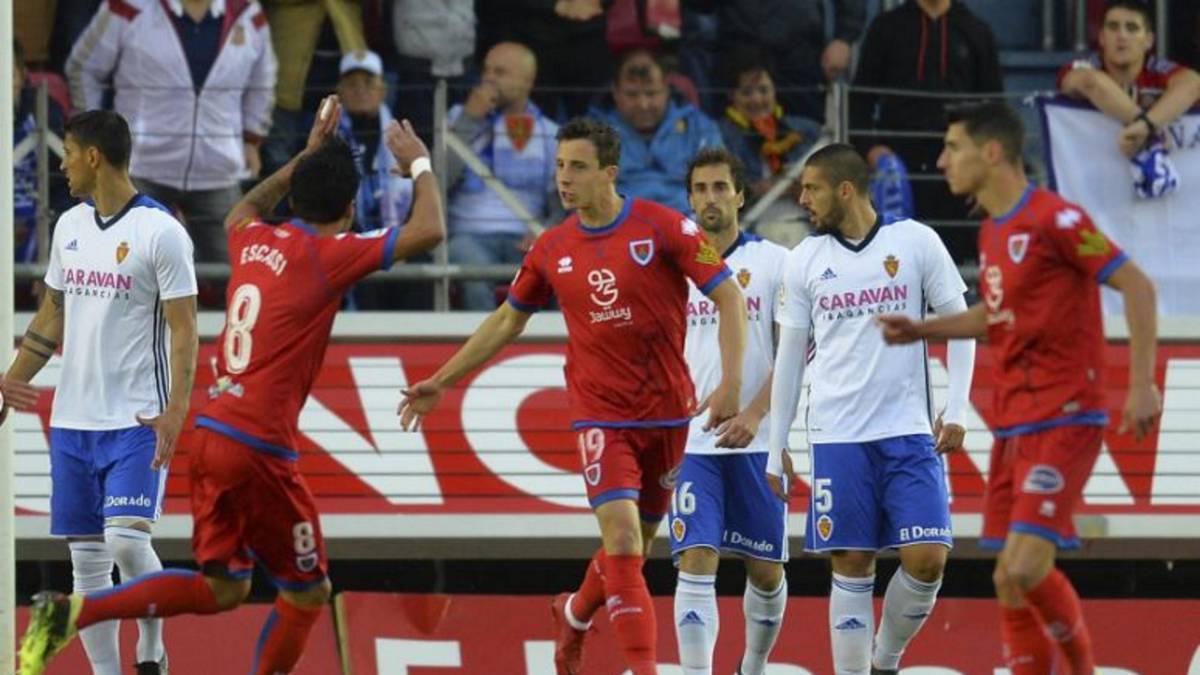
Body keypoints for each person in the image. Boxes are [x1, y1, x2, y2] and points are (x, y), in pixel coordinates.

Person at [17, 95, 446, 675]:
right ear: (349, 207)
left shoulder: (250, 237)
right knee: (307, 593)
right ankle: (81, 612)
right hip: (260, 445)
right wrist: (419, 162)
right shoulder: (328, 254)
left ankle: (80, 615)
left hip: (213, 434)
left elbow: (245, 205)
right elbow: (430, 229)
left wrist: (304, 157)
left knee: (224, 587)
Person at [397, 118, 748, 675]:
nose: (565, 179)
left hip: (666, 415)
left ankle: (575, 612)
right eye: (560, 166)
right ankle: (643, 668)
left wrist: (729, 382)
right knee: (625, 538)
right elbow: (507, 321)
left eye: (578, 167)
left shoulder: (666, 229)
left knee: (631, 548)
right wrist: (443, 379)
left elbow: (729, 295)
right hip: (599, 416)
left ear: (610, 172)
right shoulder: (550, 248)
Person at [879, 101, 1161, 674]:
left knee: (1025, 568)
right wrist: (925, 329)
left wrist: (1141, 386)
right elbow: (997, 314)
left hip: (1066, 416)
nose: (941, 160)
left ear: (992, 151)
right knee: (1007, 578)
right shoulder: (992, 230)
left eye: (952, 146)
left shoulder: (1059, 222)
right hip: (1014, 423)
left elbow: (1136, 285)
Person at [768, 143, 976, 675]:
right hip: (836, 436)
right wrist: (776, 447)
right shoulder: (805, 260)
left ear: (845, 189)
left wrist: (957, 410)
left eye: (811, 188)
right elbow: (789, 359)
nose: (803, 199)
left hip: (908, 432)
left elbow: (961, 323)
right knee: (853, 563)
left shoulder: (915, 242)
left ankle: (886, 659)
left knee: (928, 561)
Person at [5, 110, 200, 675]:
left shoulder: (161, 232)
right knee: (86, 562)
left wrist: (176, 410)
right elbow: (51, 315)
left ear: (94, 156)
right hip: (72, 421)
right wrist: (14, 381)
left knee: (124, 543)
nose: (61, 164)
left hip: (136, 420)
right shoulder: (69, 227)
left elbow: (186, 327)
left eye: (67, 152)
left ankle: (153, 646)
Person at [670, 148, 788, 675]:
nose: (710, 199)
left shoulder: (773, 263)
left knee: (765, 572)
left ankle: (753, 666)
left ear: (741, 195)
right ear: (690, 197)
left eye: (721, 187)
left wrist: (757, 414)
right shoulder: (673, 268)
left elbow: (795, 352)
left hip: (755, 441)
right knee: (696, 558)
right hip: (690, 441)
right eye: (700, 189)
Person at [66, 0, 277, 263]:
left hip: (218, 168)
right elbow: (85, 67)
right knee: (116, 269)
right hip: (137, 166)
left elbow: (263, 79)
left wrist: (251, 138)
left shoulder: (247, 11)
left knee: (238, 271)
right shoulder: (127, 6)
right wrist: (92, 138)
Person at [850, 0, 1002, 261]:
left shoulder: (977, 30)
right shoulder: (885, 28)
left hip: (959, 173)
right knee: (894, 262)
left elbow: (993, 110)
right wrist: (870, 149)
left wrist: (988, 175)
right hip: (898, 171)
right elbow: (859, 102)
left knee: (955, 268)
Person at [447, 41, 563, 310]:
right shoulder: (456, 119)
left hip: (526, 239)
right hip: (468, 235)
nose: (488, 78)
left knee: (560, 268)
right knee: (473, 271)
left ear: (527, 81)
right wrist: (469, 121)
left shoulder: (550, 132)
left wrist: (546, 232)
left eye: (500, 72)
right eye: (486, 70)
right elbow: (437, 179)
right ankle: (488, 349)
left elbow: (563, 203)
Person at [1059, 0, 1200, 187]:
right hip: (1098, 184)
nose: (1121, 36)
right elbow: (1091, 83)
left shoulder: (1159, 70)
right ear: (1101, 37)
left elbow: (1193, 85)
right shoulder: (1082, 68)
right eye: (1113, 27)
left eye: (1132, 28)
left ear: (1148, 40)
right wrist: (1145, 127)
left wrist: (1144, 127)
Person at [334, 49, 432, 310]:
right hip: (350, 235)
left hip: (398, 235)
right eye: (352, 84)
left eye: (368, 83)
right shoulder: (327, 137)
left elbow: (421, 192)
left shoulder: (403, 138)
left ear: (383, 90)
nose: (360, 90)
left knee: (422, 264)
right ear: (339, 92)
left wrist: (399, 245)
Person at [589, 48, 723, 214]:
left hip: (689, 226)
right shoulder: (593, 135)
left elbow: (720, 190)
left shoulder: (699, 127)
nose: (643, 104)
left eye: (651, 93)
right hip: (617, 228)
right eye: (632, 94)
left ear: (667, 89)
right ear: (615, 92)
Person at [716, 46, 822, 247]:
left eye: (763, 90)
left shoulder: (808, 130)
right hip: (752, 229)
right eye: (746, 92)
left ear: (775, 90)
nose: (757, 99)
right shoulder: (721, 135)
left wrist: (806, 188)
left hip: (808, 226)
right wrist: (757, 190)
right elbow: (716, 194)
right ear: (732, 96)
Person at [716, 0, 865, 124]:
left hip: (800, 53)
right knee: (733, 140)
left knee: (807, 139)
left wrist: (844, 39)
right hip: (739, 46)